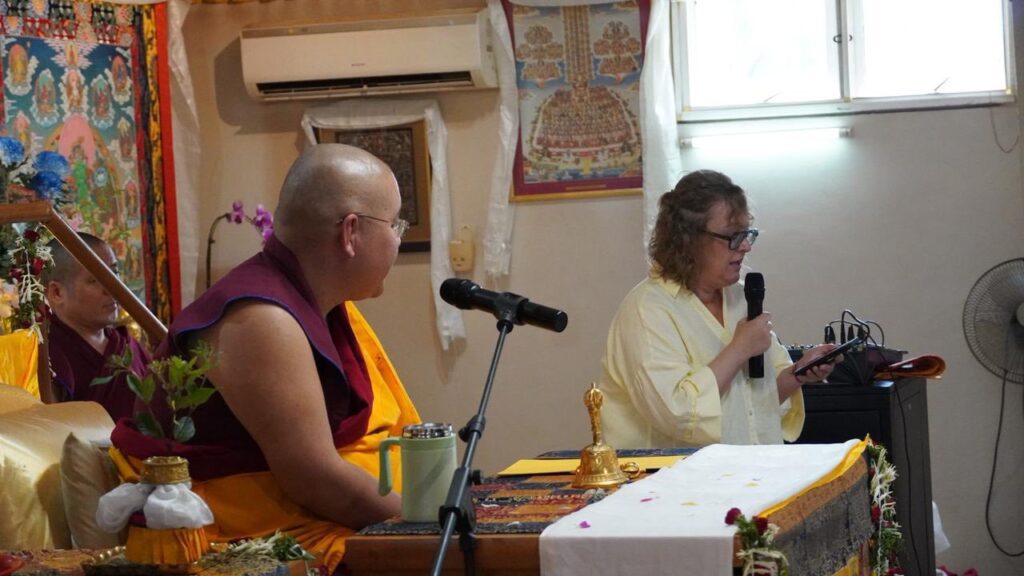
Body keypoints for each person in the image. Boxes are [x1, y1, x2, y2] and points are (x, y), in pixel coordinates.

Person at [110, 144, 421, 573]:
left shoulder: (320, 307)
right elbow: (313, 479)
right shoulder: (259, 318)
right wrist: (425, 526)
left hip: (312, 519)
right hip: (243, 540)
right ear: (351, 233)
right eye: (395, 224)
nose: (398, 240)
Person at [598, 170, 838, 449]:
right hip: (674, 474)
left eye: (747, 234)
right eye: (732, 236)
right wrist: (738, 349)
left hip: (751, 467)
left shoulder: (739, 298)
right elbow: (678, 414)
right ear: (688, 239)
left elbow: (756, 404)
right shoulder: (647, 310)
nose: (745, 246)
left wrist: (798, 373)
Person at [44, 232, 149, 420]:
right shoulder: (47, 355)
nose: (112, 287)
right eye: (94, 280)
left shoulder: (124, 343)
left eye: (114, 273)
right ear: (57, 292)